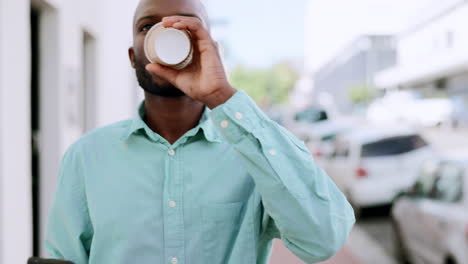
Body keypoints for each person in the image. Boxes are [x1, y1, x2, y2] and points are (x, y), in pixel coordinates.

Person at [44, 0, 355, 263]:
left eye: (186, 26)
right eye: (146, 27)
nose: (165, 34)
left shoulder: (254, 151)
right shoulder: (87, 156)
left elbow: (323, 239)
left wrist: (223, 96)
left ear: (210, 50)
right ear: (131, 56)